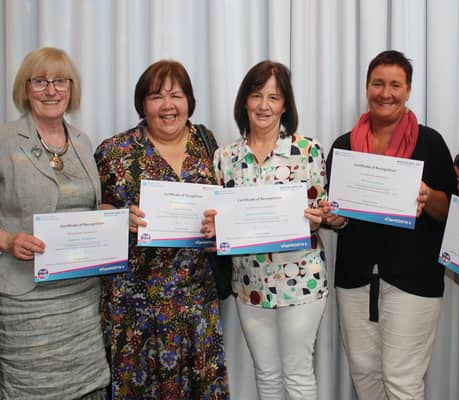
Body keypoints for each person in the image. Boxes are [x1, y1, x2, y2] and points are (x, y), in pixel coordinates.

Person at [322, 50, 457, 400]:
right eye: (378, 83)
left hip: (414, 279)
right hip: (356, 279)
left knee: (401, 380)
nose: (386, 93)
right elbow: (337, 213)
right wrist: (334, 220)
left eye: (395, 84)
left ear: (408, 90)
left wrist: (429, 196)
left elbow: (450, 212)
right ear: (367, 88)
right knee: (364, 375)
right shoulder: (343, 147)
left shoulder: (430, 142)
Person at [94, 60, 229, 399]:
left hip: (196, 302)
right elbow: (91, 214)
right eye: (157, 96)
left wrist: (221, 227)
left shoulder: (208, 143)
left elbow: (228, 202)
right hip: (134, 307)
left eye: (176, 95)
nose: (168, 106)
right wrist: (117, 218)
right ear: (142, 104)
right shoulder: (114, 152)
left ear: (189, 101)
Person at [202, 60, 327, 400]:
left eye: (274, 97)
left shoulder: (307, 150)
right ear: (244, 101)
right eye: (256, 95)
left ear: (285, 104)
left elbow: (322, 211)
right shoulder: (225, 157)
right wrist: (215, 230)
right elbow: (219, 218)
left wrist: (319, 217)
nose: (263, 105)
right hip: (249, 282)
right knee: (266, 374)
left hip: (301, 279)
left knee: (298, 374)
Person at [0, 47, 109, 399]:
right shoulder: (3, 140)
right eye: (40, 81)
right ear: (24, 88)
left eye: (60, 81)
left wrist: (110, 218)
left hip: (81, 297)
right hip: (28, 302)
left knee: (88, 389)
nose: (51, 90)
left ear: (71, 88)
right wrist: (6, 241)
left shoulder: (82, 141)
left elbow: (87, 207)